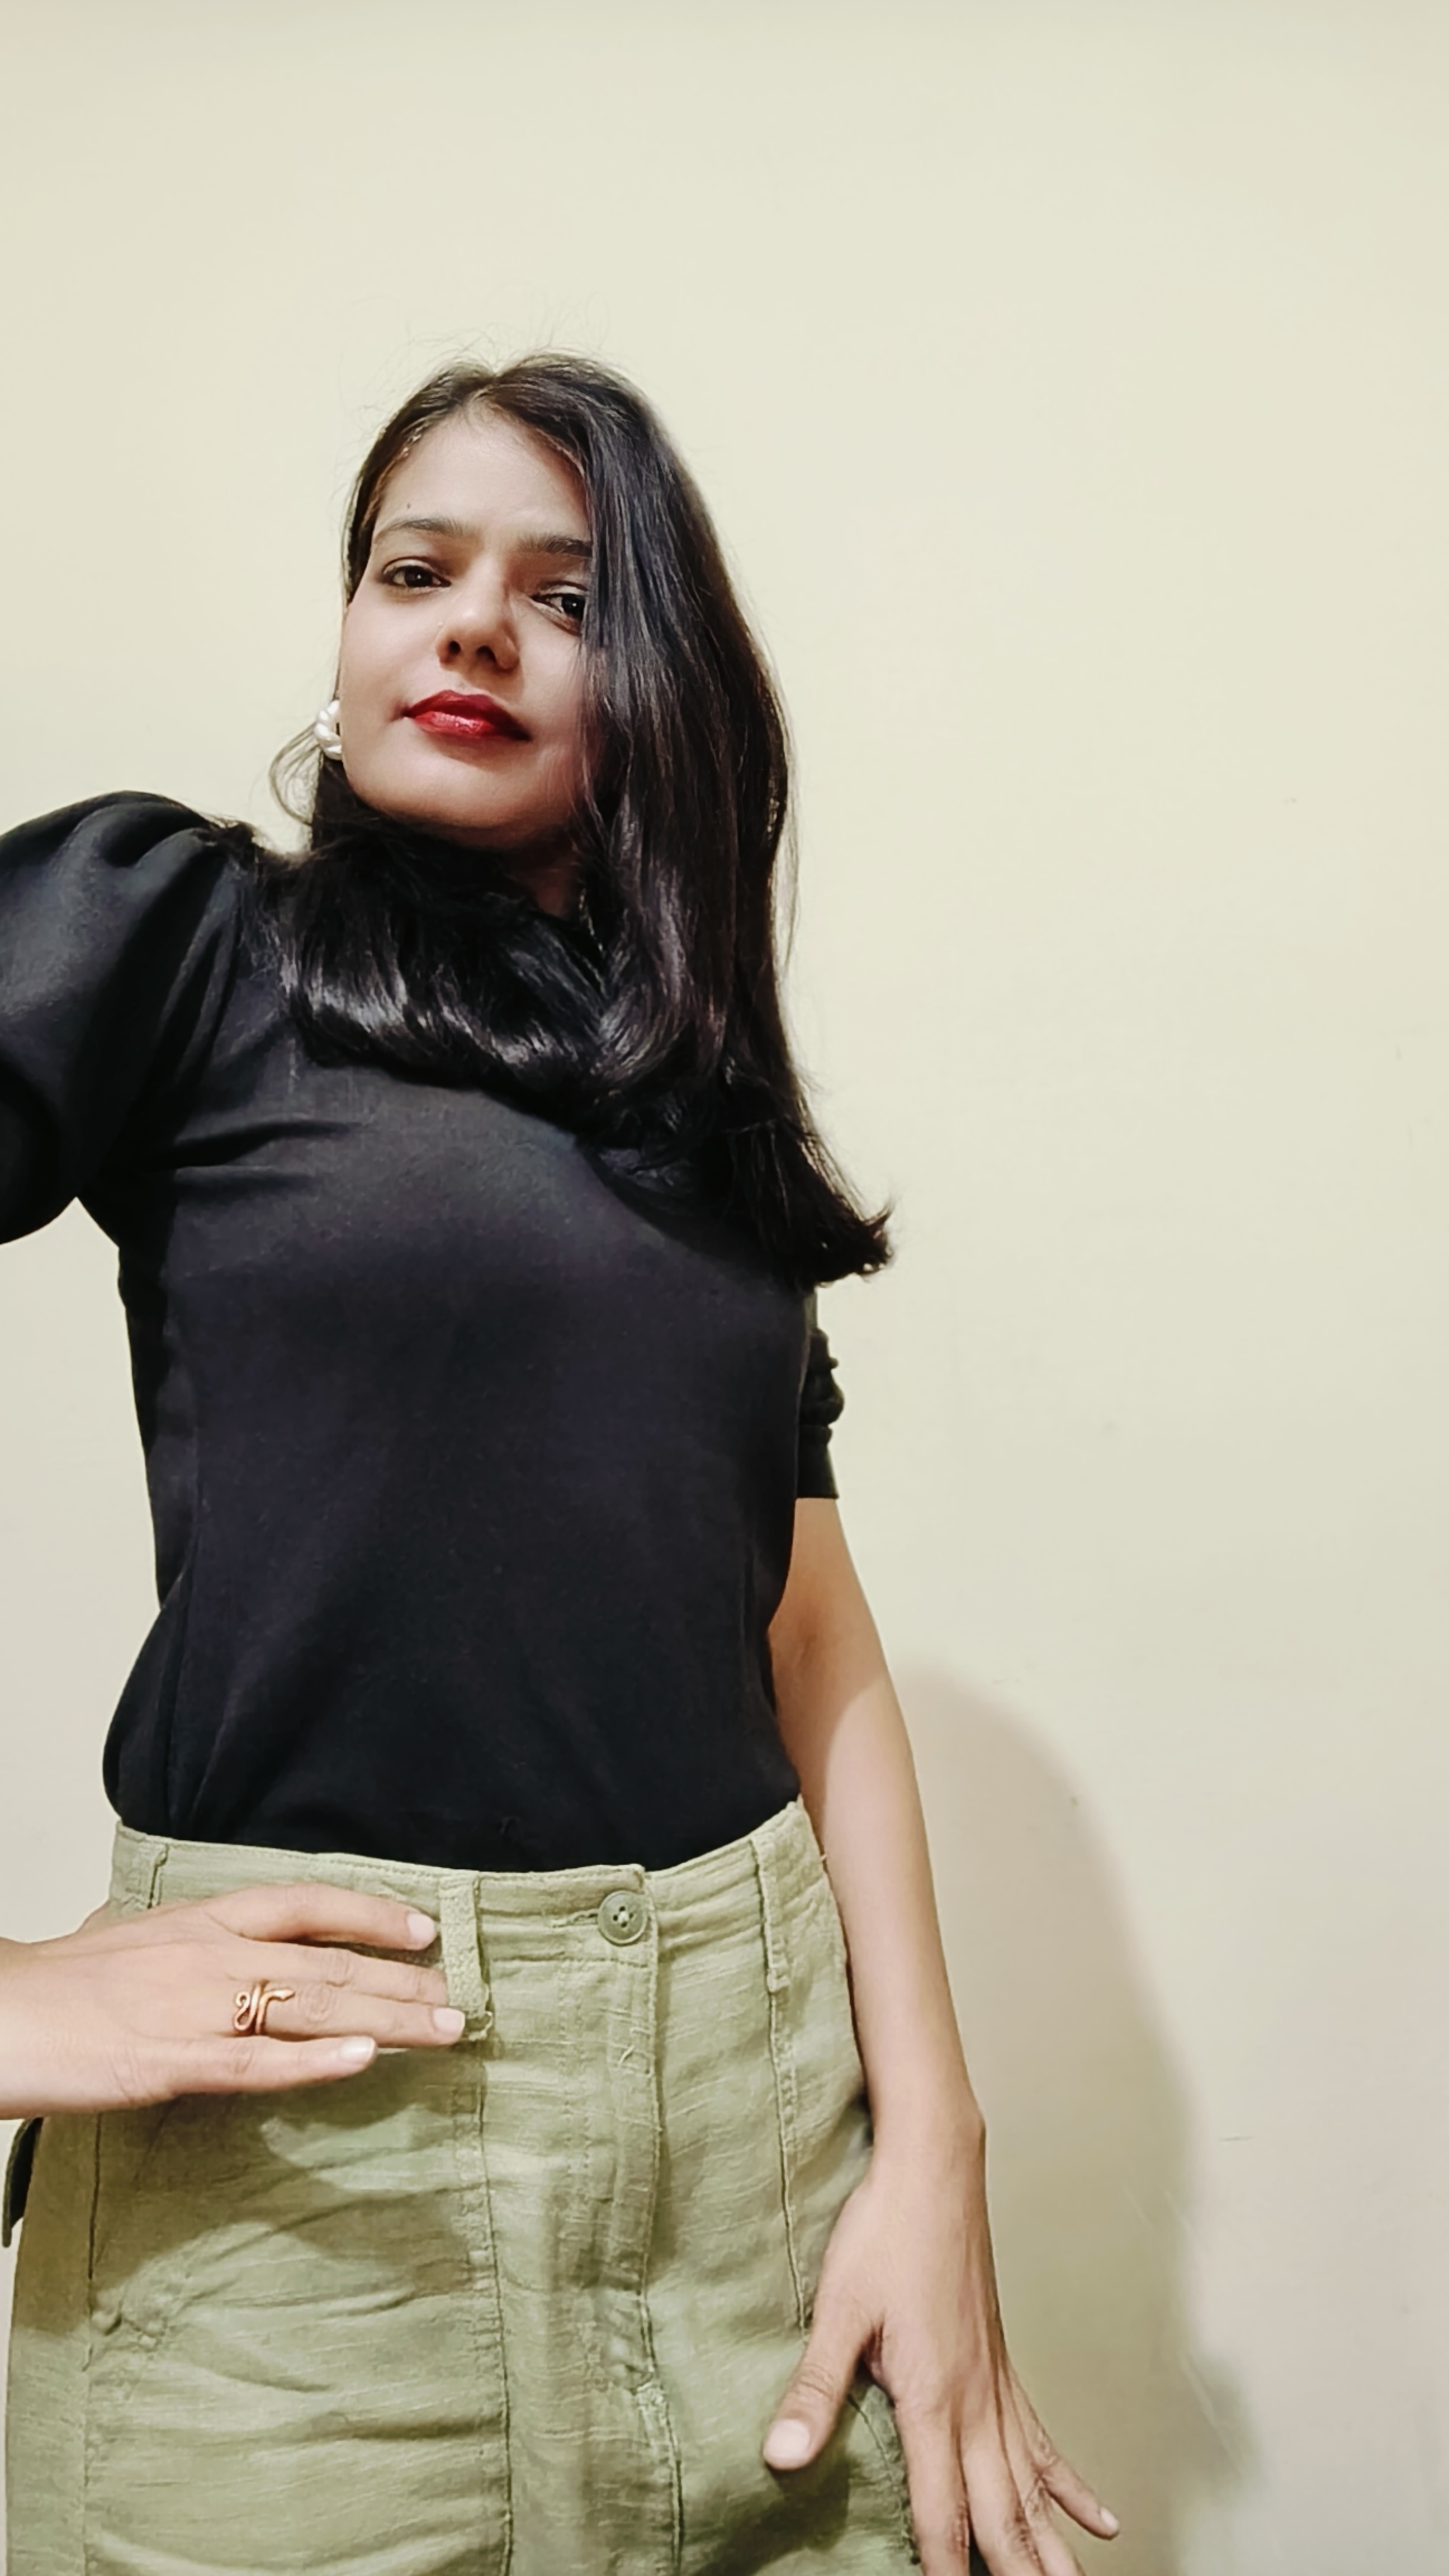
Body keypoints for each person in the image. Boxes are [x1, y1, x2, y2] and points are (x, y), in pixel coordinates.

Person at [0, 355, 1119, 2576]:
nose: (473, 626)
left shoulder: (693, 1090)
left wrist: (934, 2149)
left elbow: (801, 1616)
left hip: (760, 2159)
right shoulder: (185, 940)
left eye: (566, 595)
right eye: (414, 570)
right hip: (307, 2221)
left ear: (661, 680)